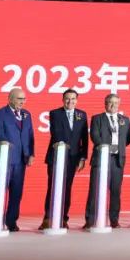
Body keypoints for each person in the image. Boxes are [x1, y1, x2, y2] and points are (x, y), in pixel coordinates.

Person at [40, 89, 88, 230]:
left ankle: (63, 218)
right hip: (56, 156)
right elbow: (56, 133)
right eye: (67, 98)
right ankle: (48, 218)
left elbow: (84, 138)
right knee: (53, 187)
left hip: (73, 158)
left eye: (73, 98)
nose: (70, 101)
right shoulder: (55, 113)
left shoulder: (82, 115)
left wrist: (83, 157)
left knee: (67, 188)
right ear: (63, 100)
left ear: (76, 100)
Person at [0, 87, 35, 232]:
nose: (22, 102)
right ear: (10, 99)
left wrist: (31, 154)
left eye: (24, 99)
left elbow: (30, 135)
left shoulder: (27, 114)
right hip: (4, 159)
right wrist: (4, 144)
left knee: (16, 193)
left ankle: (11, 221)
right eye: (19, 99)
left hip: (21, 161)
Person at [85, 94, 130, 229]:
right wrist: (106, 147)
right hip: (101, 158)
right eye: (110, 102)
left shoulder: (125, 120)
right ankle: (90, 220)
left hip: (117, 160)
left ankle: (114, 220)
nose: (113, 105)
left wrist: (118, 147)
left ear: (119, 104)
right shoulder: (97, 118)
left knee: (116, 191)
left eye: (116, 103)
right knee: (95, 190)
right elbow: (95, 136)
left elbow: (128, 138)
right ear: (105, 104)